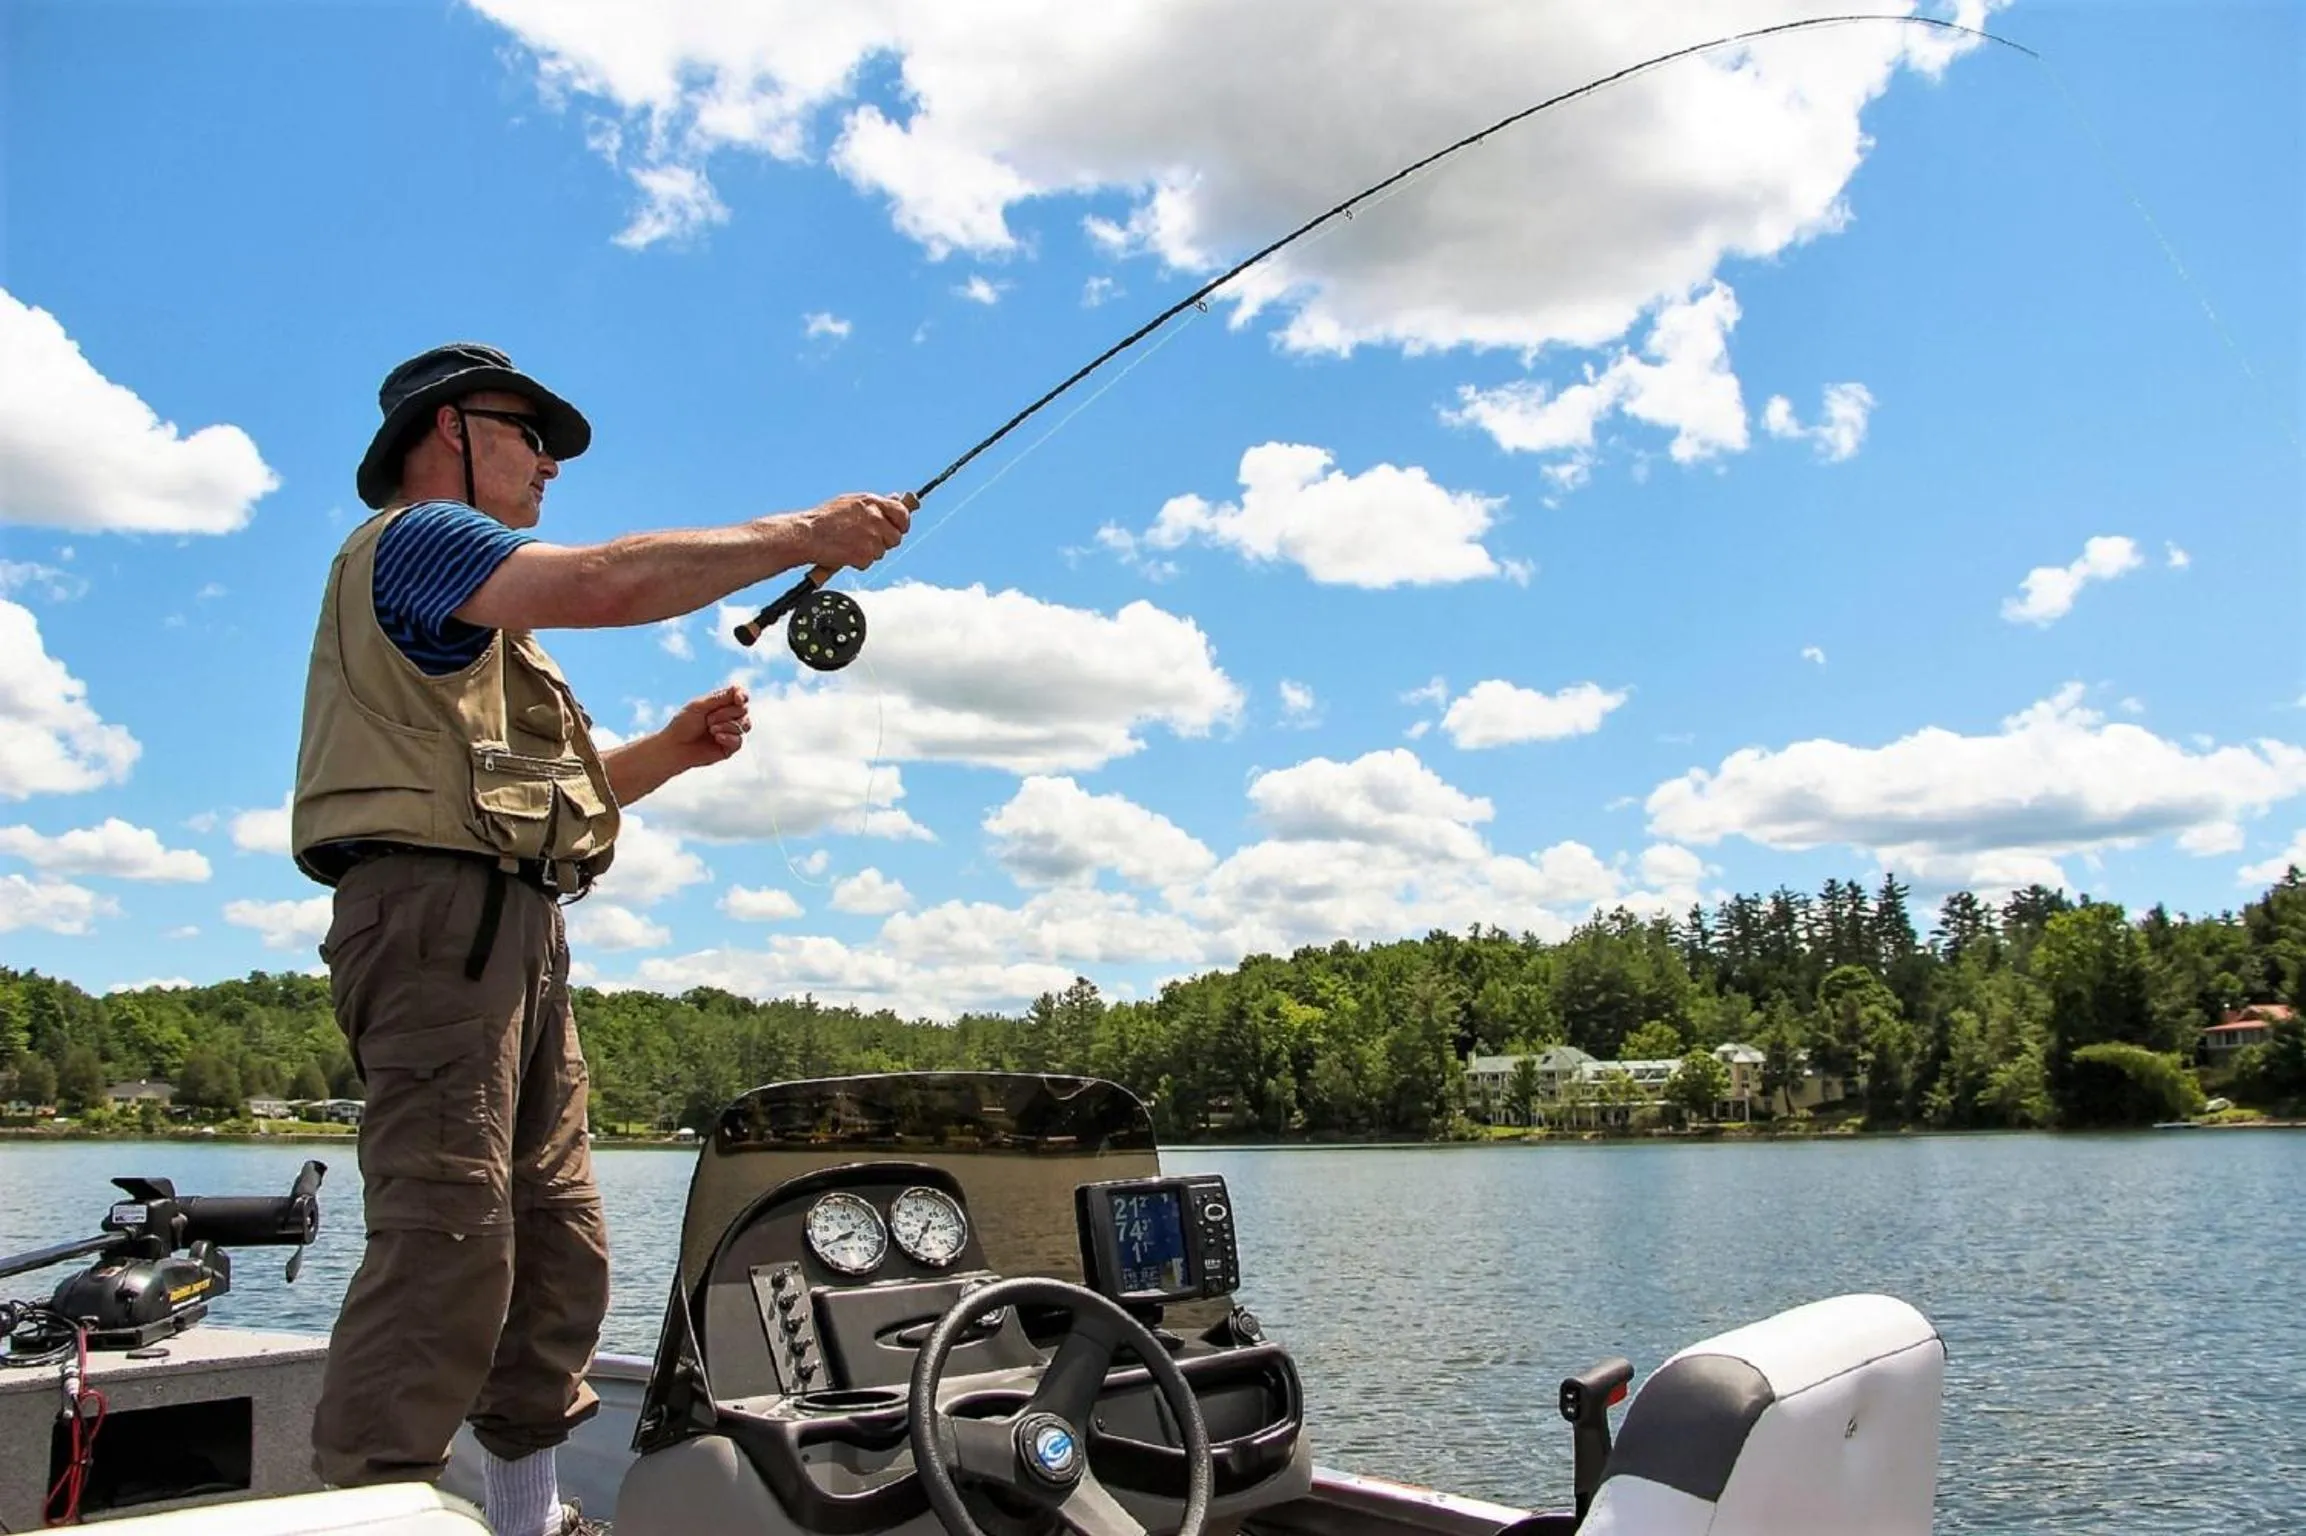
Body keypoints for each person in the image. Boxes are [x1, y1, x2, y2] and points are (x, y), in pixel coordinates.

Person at [290, 342, 911, 1536]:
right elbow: (612, 584)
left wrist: (669, 754)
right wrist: (807, 533)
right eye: (529, 436)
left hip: (514, 931)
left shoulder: (483, 632)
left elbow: (539, 805)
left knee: (556, 1243)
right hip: (433, 928)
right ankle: (364, 1513)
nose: (550, 464)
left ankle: (527, 1516)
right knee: (445, 1239)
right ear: (449, 431)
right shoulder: (418, 539)